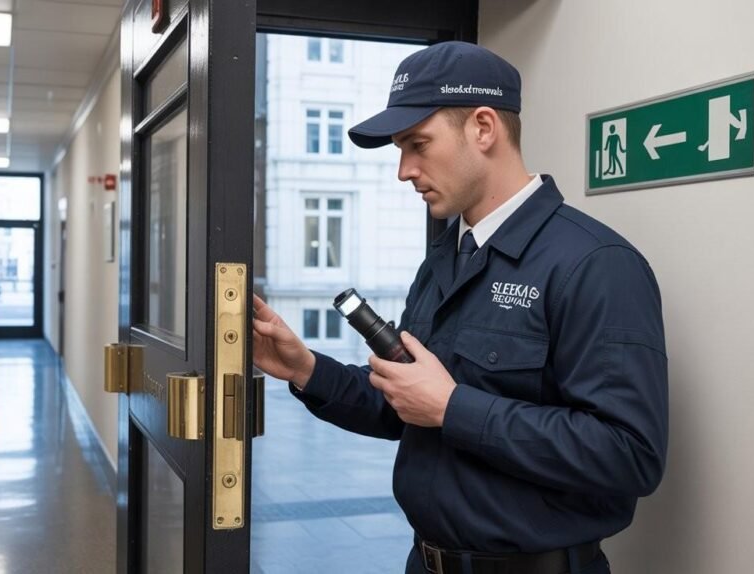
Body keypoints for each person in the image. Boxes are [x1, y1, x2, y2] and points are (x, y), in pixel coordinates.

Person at [252, 41, 667, 574]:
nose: (404, 170)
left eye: (418, 144)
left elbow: (629, 454)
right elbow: (405, 403)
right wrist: (303, 368)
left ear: (484, 128)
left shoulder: (595, 264)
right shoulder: (446, 257)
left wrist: (454, 408)